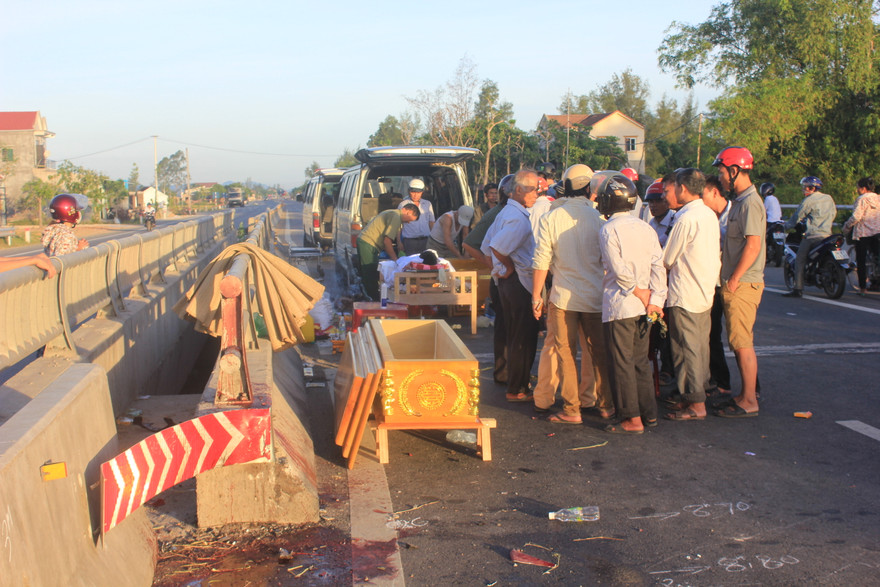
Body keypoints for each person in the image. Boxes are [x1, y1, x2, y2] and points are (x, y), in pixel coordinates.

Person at [531, 164, 612, 423]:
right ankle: (605, 404)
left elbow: (541, 261)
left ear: (565, 187)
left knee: (565, 352)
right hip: (596, 297)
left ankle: (572, 409)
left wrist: (536, 297)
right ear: (591, 188)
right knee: (598, 352)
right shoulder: (601, 219)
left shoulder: (551, 218)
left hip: (563, 297)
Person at [597, 173, 666, 434]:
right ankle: (649, 414)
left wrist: (638, 292)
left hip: (621, 305)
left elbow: (618, 269)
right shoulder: (645, 227)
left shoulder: (608, 229)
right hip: (645, 306)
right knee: (639, 361)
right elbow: (658, 265)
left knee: (621, 363)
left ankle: (631, 418)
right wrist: (655, 299)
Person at [661, 169, 721, 421]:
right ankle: (694, 397)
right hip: (703, 290)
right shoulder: (707, 214)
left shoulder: (687, 218)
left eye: (671, 188)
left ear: (682, 189)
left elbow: (667, 258)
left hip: (685, 291)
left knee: (688, 350)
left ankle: (696, 404)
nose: (669, 194)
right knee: (697, 347)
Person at [712, 146, 764, 417]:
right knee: (737, 340)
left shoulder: (751, 203)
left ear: (734, 171)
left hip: (743, 283)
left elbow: (753, 245)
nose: (720, 178)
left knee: (742, 341)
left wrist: (733, 279)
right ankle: (744, 395)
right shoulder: (742, 201)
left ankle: (749, 400)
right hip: (736, 282)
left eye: (722, 172)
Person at [482, 169, 541, 402]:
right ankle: (517, 388)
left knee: (515, 335)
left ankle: (517, 384)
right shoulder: (517, 218)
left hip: (508, 282)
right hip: (517, 282)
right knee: (522, 338)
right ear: (518, 191)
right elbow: (496, 247)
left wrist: (499, 268)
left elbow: (487, 246)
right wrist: (506, 267)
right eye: (533, 189)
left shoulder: (506, 212)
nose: (537, 194)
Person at [463, 174, 513, 385]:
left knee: (507, 327)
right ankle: (506, 374)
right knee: (506, 326)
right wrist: (493, 265)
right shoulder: (497, 214)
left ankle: (508, 373)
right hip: (504, 279)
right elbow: (469, 243)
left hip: (509, 276)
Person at [701, 175, 733, 397]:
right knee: (712, 333)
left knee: (738, 339)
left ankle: (751, 388)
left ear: (714, 192)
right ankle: (719, 380)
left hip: (731, 281)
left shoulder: (735, 213)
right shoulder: (708, 216)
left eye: (702, 195)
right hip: (712, 281)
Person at [782, 176, 836, 298]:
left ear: (812, 188)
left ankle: (798, 288)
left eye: (805, 187)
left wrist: (786, 227)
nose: (804, 189)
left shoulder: (809, 200)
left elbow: (797, 216)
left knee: (800, 259)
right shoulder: (828, 198)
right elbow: (833, 213)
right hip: (827, 235)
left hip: (813, 236)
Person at [357, 204, 420, 301]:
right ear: (408, 212)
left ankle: (369, 298)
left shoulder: (394, 214)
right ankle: (373, 301)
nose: (408, 222)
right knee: (370, 273)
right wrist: (396, 260)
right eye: (410, 219)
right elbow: (387, 241)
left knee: (370, 274)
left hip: (367, 242)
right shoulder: (396, 216)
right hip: (368, 242)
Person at [843, 177, 880, 295]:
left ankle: (863, 288)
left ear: (863, 188)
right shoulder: (878, 198)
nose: (858, 190)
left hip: (863, 233)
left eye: (858, 187)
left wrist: (847, 226)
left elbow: (856, 217)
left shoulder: (861, 199)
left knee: (861, 260)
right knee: (877, 258)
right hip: (877, 232)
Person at [397, 179, 435, 256]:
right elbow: (398, 225)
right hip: (410, 242)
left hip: (426, 240)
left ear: (422, 192)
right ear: (408, 191)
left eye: (418, 192)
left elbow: (431, 223)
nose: (415, 195)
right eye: (413, 192)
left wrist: (434, 240)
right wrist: (399, 242)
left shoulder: (427, 204)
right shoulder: (402, 204)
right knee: (411, 264)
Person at [644, 180, 674, 247]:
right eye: (651, 201)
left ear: (666, 201)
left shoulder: (674, 222)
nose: (653, 205)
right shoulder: (651, 223)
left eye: (658, 201)